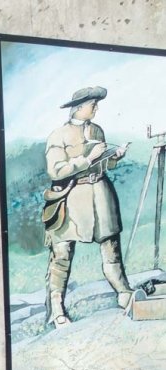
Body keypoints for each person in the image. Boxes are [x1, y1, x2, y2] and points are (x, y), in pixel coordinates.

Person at [42, 85, 133, 327]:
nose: (97, 108)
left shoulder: (97, 130)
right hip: (71, 198)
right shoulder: (58, 135)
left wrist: (114, 157)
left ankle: (124, 293)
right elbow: (56, 169)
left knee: (111, 247)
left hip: (101, 194)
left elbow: (104, 165)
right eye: (93, 104)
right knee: (61, 254)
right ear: (79, 107)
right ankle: (57, 308)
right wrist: (88, 159)